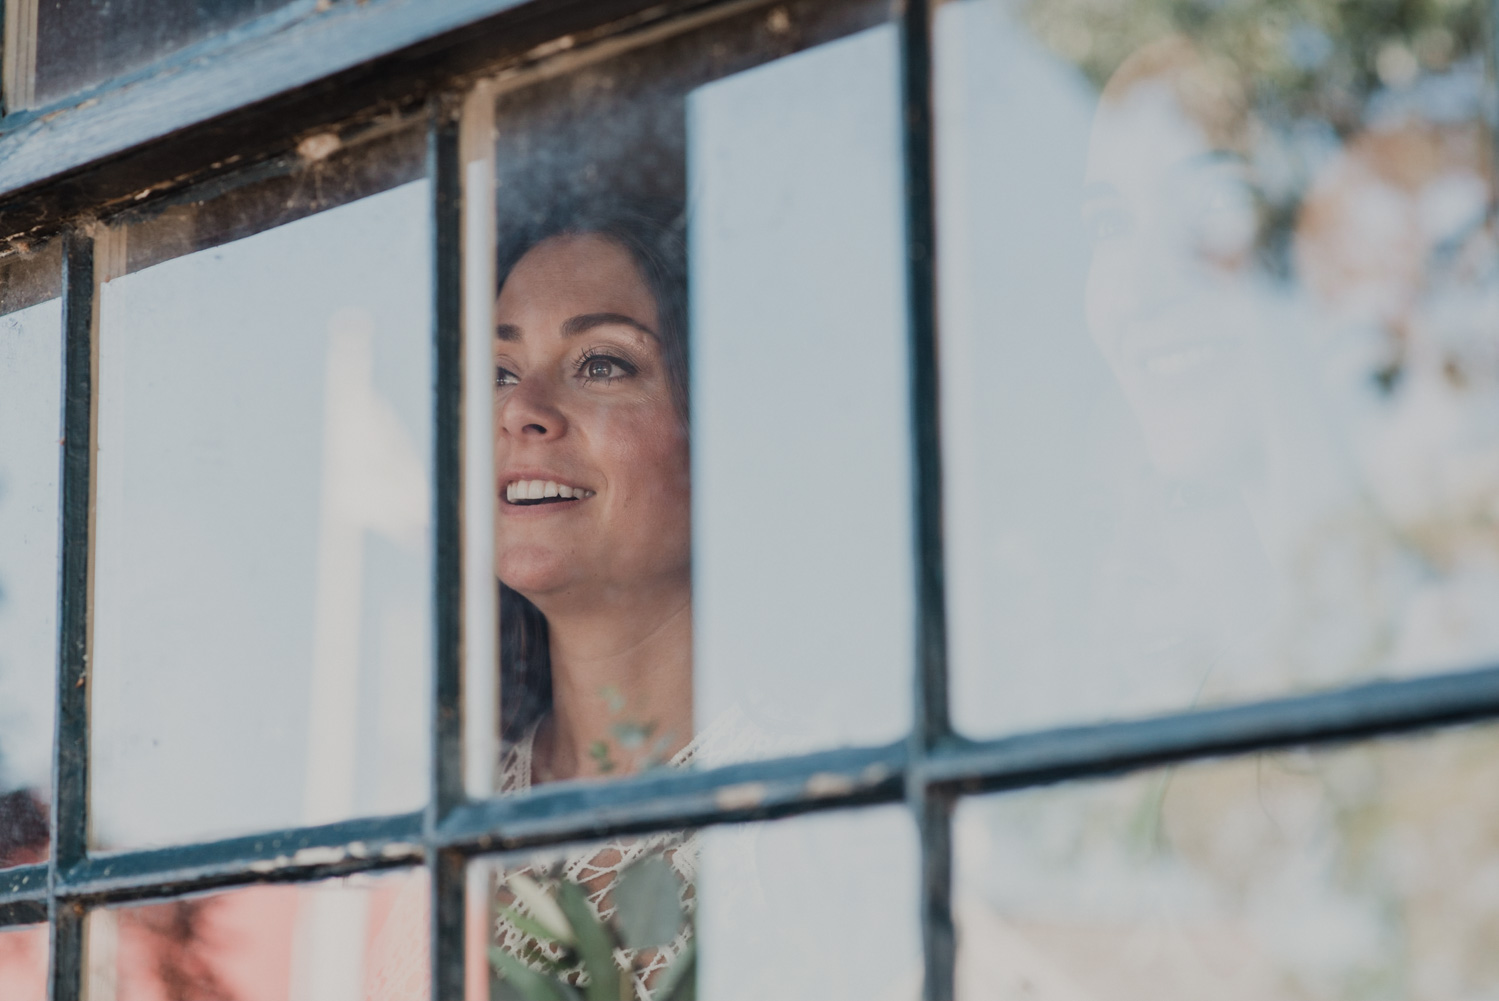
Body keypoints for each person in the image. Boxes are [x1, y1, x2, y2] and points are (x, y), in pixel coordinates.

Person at [489, 201, 698, 999]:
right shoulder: (441, 796)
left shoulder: (819, 801)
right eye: (500, 372)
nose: (521, 409)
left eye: (600, 363)